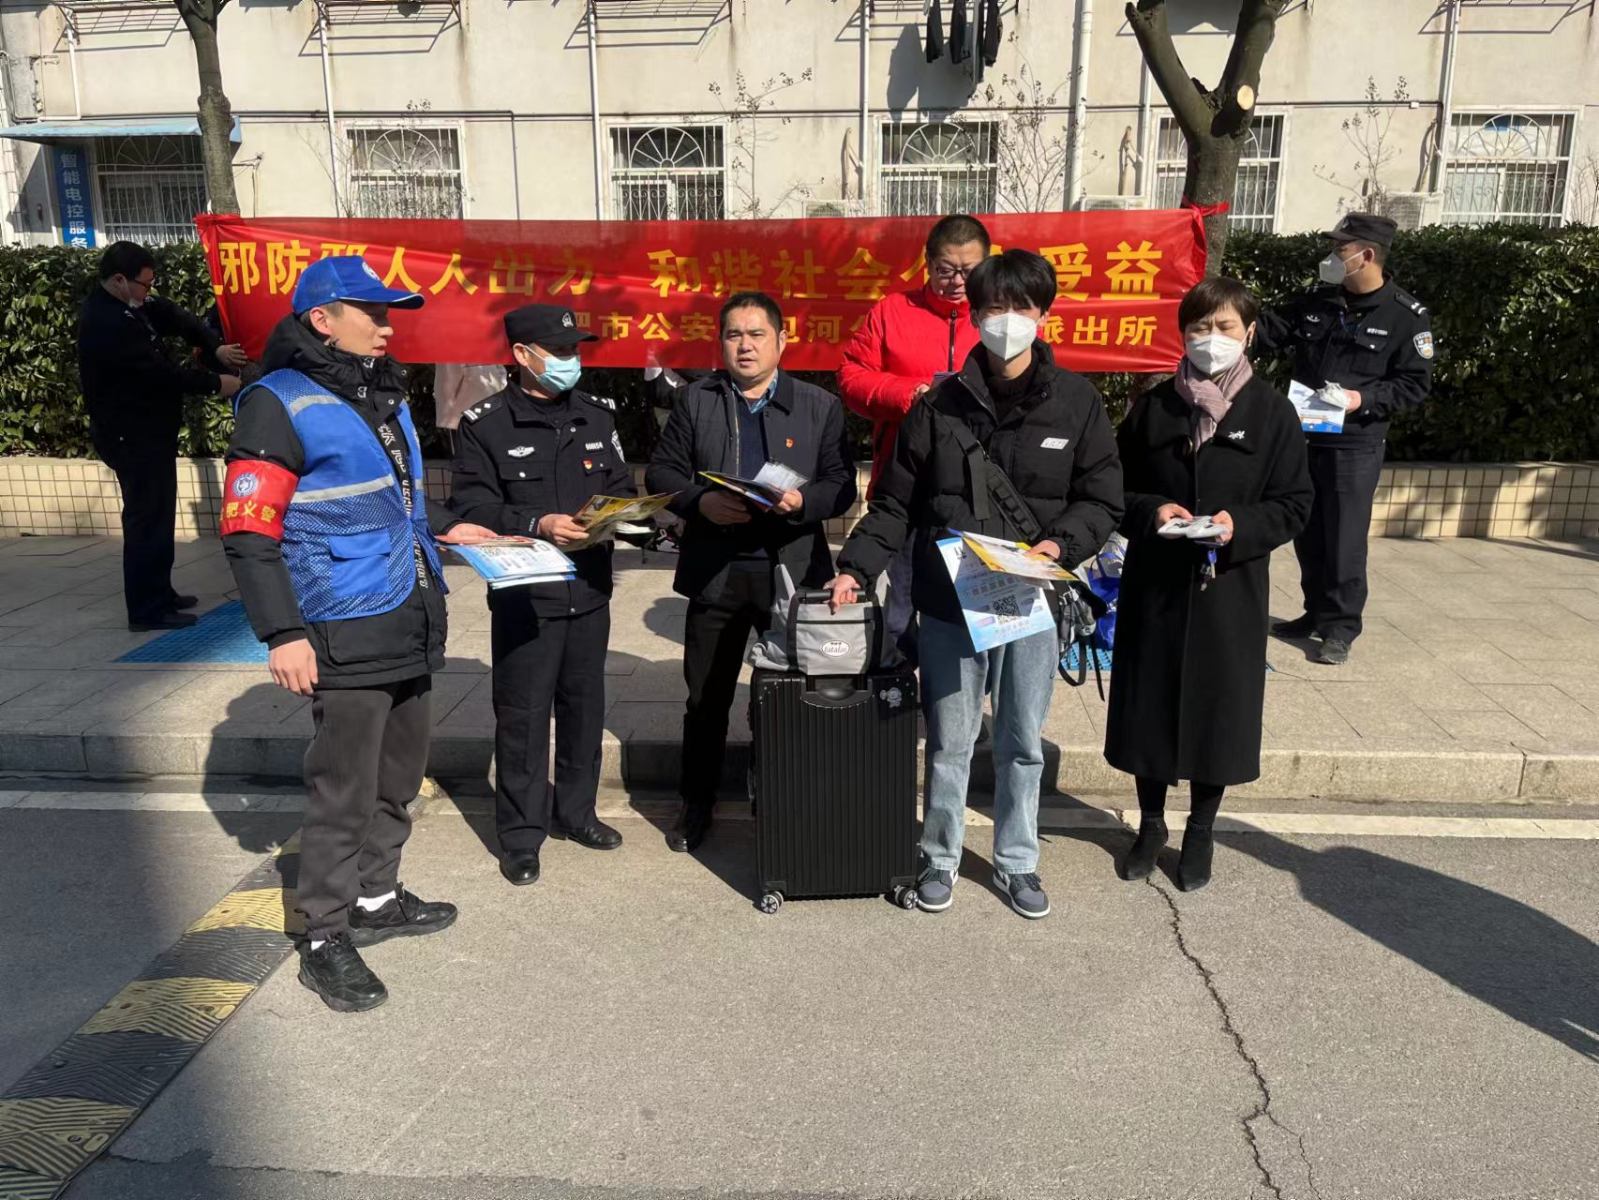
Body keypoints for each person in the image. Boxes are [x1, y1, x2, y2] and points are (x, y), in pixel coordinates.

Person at [220, 256, 495, 1013]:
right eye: (371, 312)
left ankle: (376, 897)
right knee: (343, 789)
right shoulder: (276, 402)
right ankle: (323, 935)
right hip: (342, 621)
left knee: (399, 776)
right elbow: (248, 530)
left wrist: (448, 529)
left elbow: (395, 500)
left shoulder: (381, 392)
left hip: (409, 610)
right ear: (322, 319)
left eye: (389, 313)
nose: (386, 326)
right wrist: (282, 633)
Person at [826, 250, 1124, 920]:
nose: (1006, 320)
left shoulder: (1076, 403)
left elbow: (1102, 498)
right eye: (993, 307)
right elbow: (895, 503)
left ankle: (1017, 861)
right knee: (950, 741)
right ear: (975, 315)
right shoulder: (938, 406)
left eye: (1021, 307)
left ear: (1043, 315)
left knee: (1021, 743)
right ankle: (939, 856)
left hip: (1031, 600)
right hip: (951, 601)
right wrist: (855, 567)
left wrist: (1059, 545)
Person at [1106, 277, 1313, 892]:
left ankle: (1200, 830)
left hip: (1230, 589)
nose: (1211, 338)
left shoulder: (1272, 412)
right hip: (1157, 583)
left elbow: (1295, 502)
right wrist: (1151, 511)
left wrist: (1238, 525)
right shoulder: (1153, 408)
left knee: (1218, 710)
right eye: (1199, 327)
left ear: (1249, 333)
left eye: (1224, 327)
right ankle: (1150, 825)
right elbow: (1111, 487)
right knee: (1149, 705)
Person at [645, 291, 858, 854]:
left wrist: (803, 502)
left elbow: (842, 485)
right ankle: (697, 801)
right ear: (721, 343)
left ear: (782, 340)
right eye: (734, 334)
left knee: (792, 694)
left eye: (757, 334)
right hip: (717, 569)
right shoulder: (696, 400)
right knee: (706, 697)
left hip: (793, 570)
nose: (745, 345)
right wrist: (699, 503)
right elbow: (662, 471)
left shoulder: (818, 404)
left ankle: (782, 791)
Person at [448, 305, 633, 886]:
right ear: (522, 356)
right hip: (526, 598)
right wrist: (537, 524)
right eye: (560, 351)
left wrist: (624, 515)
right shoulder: (486, 423)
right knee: (523, 717)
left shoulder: (597, 415)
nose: (571, 361)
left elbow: (621, 484)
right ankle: (521, 835)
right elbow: (471, 506)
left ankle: (577, 813)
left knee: (583, 709)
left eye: (575, 350)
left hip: (589, 589)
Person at [1255, 212, 1433, 666]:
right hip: (1304, 436)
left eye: (1341, 249)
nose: (1333, 257)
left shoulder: (1405, 316)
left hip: (1353, 444)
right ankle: (1315, 611)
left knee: (1344, 537)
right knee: (1307, 530)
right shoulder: (1318, 300)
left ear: (1366, 256)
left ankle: (1340, 627)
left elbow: (1413, 384)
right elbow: (1268, 331)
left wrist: (1361, 399)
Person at [838, 214, 988, 662]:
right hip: (904, 482)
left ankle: (962, 695)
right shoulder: (891, 311)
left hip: (977, 491)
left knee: (971, 609)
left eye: (969, 271)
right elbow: (851, 378)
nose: (957, 282)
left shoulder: (997, 316)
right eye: (946, 270)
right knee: (900, 604)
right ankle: (897, 687)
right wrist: (911, 395)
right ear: (927, 263)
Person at [79, 240, 246, 630]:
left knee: (159, 514)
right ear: (119, 280)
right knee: (146, 520)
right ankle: (146, 610)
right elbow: (158, 375)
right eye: (144, 284)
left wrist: (215, 347)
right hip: (130, 436)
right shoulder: (107, 322)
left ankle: (161, 592)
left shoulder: (133, 305)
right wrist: (214, 383)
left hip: (150, 433)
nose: (149, 291)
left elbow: (177, 317)